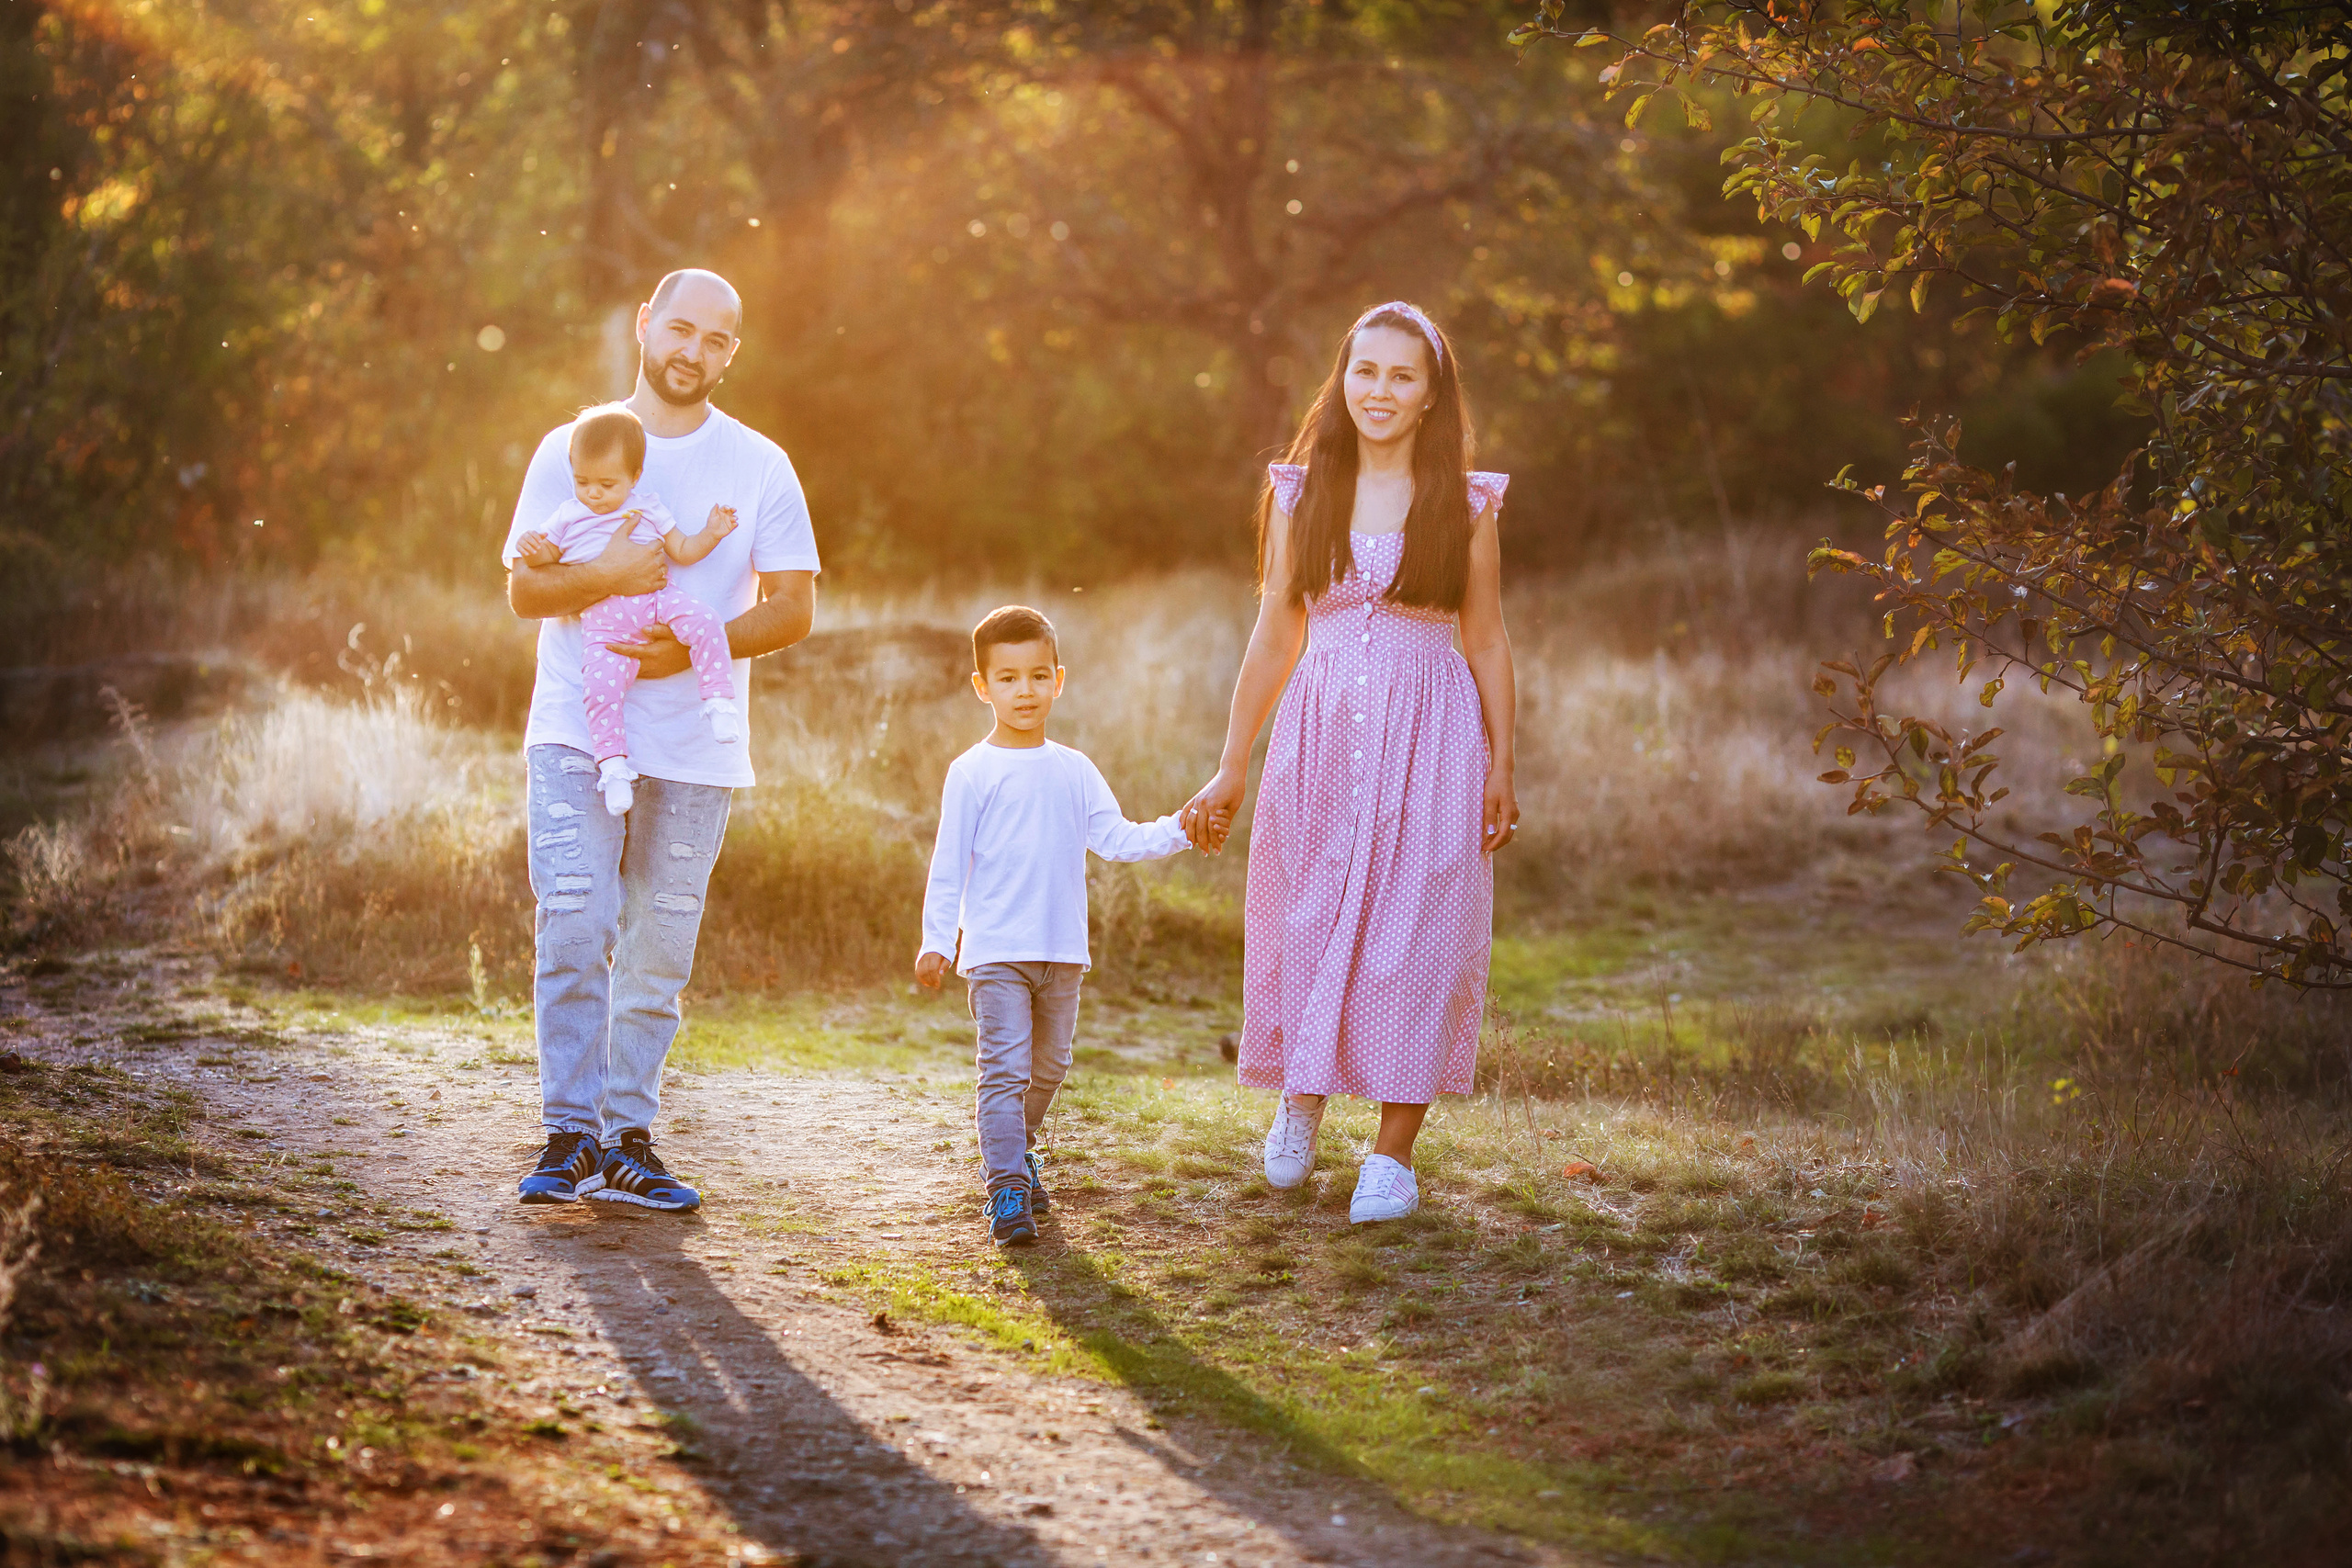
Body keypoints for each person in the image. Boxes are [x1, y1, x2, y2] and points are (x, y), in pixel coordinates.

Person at [1180, 299, 1518, 1224]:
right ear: (1342, 380)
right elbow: (1273, 631)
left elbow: (1485, 640)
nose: (1380, 390)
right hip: (1321, 732)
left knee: (1418, 937)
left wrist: (1502, 764)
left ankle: (1391, 1156)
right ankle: (1300, 1098)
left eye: (1402, 375)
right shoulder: (1300, 492)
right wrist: (1230, 764)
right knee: (1311, 916)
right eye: (1364, 370)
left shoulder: (1467, 502)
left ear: (1430, 396)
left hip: (1432, 740)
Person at [502, 268, 819, 1212]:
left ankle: (628, 1138)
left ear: (732, 352)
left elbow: (794, 608)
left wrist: (686, 654)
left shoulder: (759, 463)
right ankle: (570, 1135)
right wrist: (610, 570)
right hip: (572, 731)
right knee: (576, 922)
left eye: (716, 340)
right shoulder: (570, 447)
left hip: (693, 749)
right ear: (645, 325)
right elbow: (524, 591)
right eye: (680, 329)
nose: (693, 352)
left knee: (657, 949)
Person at [916, 605, 1192, 1247]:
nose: (1024, 691)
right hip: (995, 952)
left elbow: (1118, 838)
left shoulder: (1074, 768)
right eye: (1008, 678)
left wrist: (1183, 825)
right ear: (982, 685)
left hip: (1063, 949)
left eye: (1038, 676)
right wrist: (936, 940)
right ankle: (1007, 1186)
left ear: (1058, 680)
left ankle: (1018, 1147)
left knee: (1051, 1066)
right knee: (1004, 1070)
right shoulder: (972, 771)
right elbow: (948, 863)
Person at [510, 402, 745, 816]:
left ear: (634, 477)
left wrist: (711, 533)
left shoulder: (647, 507)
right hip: (604, 626)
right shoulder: (568, 515)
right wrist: (535, 549)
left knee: (706, 622)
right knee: (599, 692)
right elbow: (546, 559)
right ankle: (614, 767)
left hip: (658, 601)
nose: (594, 494)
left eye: (606, 483)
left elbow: (683, 551)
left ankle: (719, 701)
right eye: (583, 482)